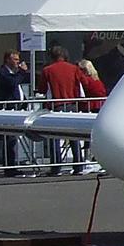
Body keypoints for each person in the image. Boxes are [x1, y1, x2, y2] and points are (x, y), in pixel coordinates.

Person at [39, 45, 85, 174]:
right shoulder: (74, 68)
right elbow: (84, 83)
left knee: (55, 137)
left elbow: (42, 88)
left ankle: (56, 167)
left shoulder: (47, 70)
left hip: (55, 104)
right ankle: (78, 165)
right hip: (72, 103)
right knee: (74, 136)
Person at [0, 50, 34, 172]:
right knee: (9, 139)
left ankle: (12, 164)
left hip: (16, 108)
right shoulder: (2, 73)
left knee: (13, 140)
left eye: (18, 59)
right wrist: (22, 72)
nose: (18, 62)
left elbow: (18, 84)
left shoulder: (14, 73)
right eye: (15, 59)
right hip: (7, 109)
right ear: (8, 60)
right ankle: (9, 167)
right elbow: (12, 83)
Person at [75, 60, 107, 174]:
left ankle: (88, 158)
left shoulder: (87, 81)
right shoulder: (97, 80)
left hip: (90, 108)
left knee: (88, 136)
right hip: (98, 107)